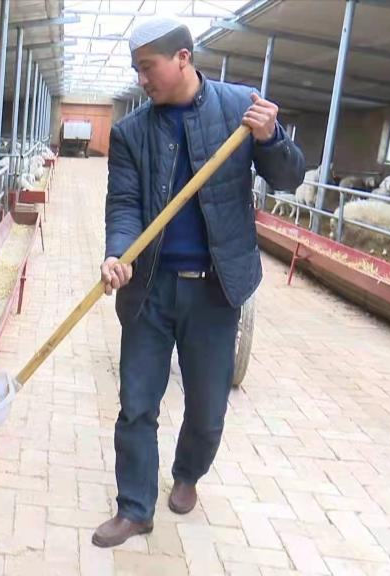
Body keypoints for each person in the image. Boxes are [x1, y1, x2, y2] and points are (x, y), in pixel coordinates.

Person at [92, 16, 306, 548]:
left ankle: (188, 473)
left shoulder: (239, 109)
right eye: (136, 70)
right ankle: (135, 507)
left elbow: (289, 178)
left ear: (183, 58)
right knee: (137, 403)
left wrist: (272, 137)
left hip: (216, 289)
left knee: (208, 409)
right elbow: (124, 204)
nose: (142, 79)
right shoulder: (131, 132)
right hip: (150, 288)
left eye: (148, 67)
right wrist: (118, 252)